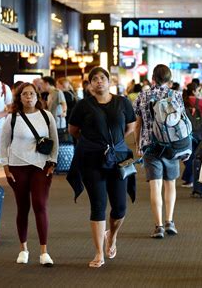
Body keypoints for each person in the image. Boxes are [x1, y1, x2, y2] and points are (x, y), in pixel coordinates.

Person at [68, 67, 136, 268]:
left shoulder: (122, 102)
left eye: (102, 78)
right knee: (98, 205)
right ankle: (99, 253)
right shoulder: (83, 105)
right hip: (91, 160)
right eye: (94, 79)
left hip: (118, 159)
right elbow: (74, 130)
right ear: (89, 84)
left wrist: (115, 143)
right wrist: (92, 143)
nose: (99, 82)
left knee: (120, 207)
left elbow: (131, 125)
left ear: (109, 82)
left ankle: (112, 235)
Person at [0, 82, 59, 266]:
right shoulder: (12, 118)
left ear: (37, 96)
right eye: (24, 94)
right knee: (22, 207)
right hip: (18, 166)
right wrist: (6, 166)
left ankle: (44, 252)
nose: (28, 97)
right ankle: (23, 249)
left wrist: (53, 162)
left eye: (32, 94)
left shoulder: (46, 115)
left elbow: (54, 140)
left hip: (41, 166)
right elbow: (3, 144)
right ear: (19, 97)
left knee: (40, 205)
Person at [134, 64, 183, 239]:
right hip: (171, 145)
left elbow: (137, 123)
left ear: (153, 78)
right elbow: (181, 122)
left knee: (155, 186)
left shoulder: (143, 95)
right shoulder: (176, 95)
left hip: (150, 145)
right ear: (169, 79)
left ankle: (158, 226)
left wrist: (138, 144)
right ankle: (170, 221)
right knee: (170, 184)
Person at [181, 83, 202, 188]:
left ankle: (189, 179)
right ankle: (190, 178)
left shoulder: (183, 101)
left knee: (188, 155)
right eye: (198, 90)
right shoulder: (200, 102)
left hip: (185, 132)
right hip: (198, 132)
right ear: (193, 91)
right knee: (195, 155)